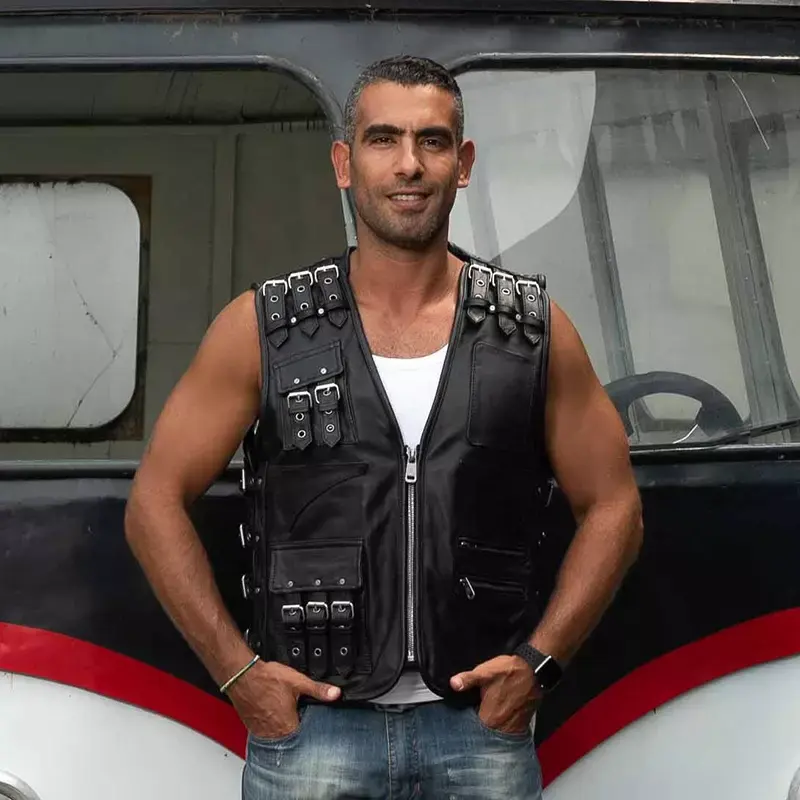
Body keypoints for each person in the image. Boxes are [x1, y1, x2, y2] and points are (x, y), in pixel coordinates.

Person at [124, 55, 643, 799]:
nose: (409, 165)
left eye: (433, 141)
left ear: (463, 164)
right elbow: (153, 502)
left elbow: (616, 507)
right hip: (313, 735)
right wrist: (239, 676)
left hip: (478, 733)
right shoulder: (263, 328)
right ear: (345, 163)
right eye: (383, 139)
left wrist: (539, 665)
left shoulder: (531, 329)